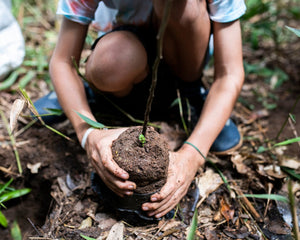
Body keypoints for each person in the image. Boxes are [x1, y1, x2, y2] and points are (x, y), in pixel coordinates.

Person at [35, 0, 246, 219]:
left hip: (184, 58)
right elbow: (63, 62)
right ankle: (91, 93)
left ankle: (190, 93)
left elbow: (229, 74)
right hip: (126, 51)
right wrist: (87, 131)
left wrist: (194, 153)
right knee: (109, 64)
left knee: (182, 7)